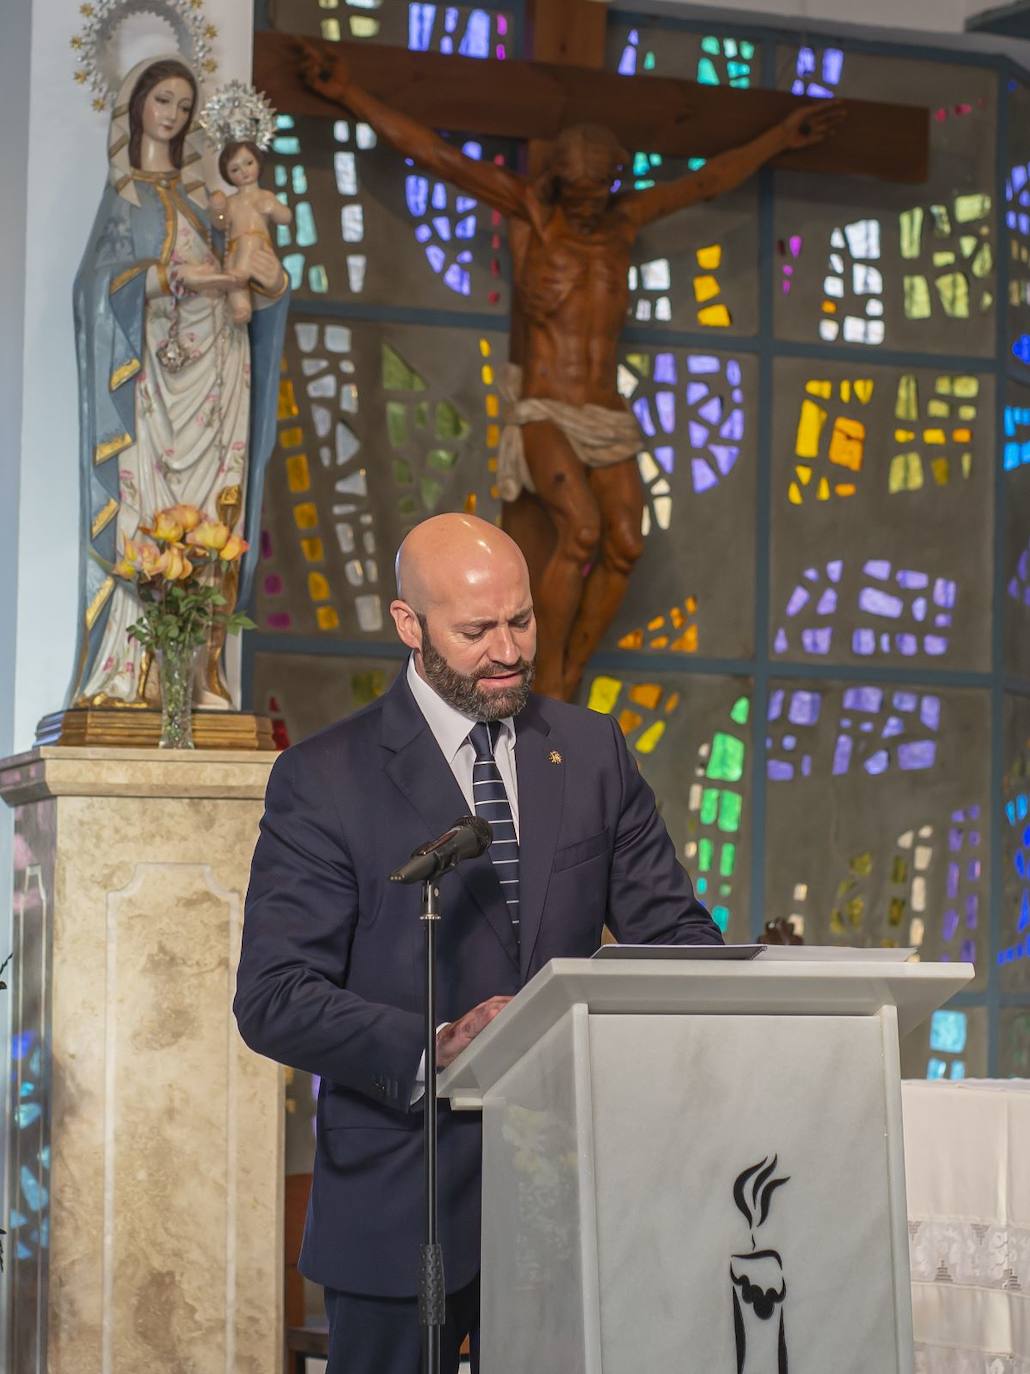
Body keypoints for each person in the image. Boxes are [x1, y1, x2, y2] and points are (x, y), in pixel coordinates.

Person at [234, 512, 722, 1374]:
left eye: (522, 620)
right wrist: (435, 1047)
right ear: (408, 625)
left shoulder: (591, 749)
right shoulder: (323, 778)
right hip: (401, 1203)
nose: (509, 650)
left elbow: (676, 937)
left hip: (572, 1203)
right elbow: (274, 996)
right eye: (477, 630)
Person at [297, 41, 844, 700]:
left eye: (599, 191)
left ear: (614, 182)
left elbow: (707, 181)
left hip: (605, 411)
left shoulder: (623, 223)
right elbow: (437, 155)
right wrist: (348, 94)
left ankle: (572, 666)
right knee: (580, 529)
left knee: (625, 543)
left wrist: (781, 138)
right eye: (578, 193)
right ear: (559, 181)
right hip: (548, 408)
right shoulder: (537, 214)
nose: (588, 205)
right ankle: (544, 672)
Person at [70, 57, 288, 710]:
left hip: (217, 375)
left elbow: (256, 279)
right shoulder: (126, 197)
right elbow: (93, 292)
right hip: (148, 388)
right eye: (162, 100)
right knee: (143, 520)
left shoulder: (209, 200)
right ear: (136, 104)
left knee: (213, 514)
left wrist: (269, 280)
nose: (172, 115)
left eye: (184, 106)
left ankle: (197, 678)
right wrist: (167, 280)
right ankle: (127, 674)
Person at [208, 139, 292, 326]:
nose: (244, 171)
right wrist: (218, 210)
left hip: (259, 247)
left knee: (247, 244)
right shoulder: (232, 201)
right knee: (231, 268)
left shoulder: (265, 196)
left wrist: (273, 208)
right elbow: (220, 225)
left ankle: (240, 273)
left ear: (258, 162)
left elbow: (286, 217)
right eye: (235, 169)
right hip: (236, 250)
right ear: (227, 175)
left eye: (248, 163)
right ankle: (241, 308)